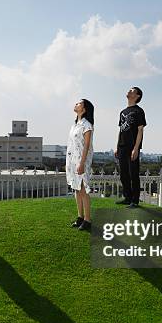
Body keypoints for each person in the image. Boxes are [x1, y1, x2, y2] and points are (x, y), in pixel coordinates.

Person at [115, 86, 147, 208]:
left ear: (137, 96)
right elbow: (121, 131)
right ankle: (127, 198)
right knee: (123, 174)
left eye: (132, 90)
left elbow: (140, 130)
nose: (129, 91)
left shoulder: (139, 111)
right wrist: (117, 146)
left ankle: (135, 200)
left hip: (132, 147)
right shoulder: (122, 112)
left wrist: (136, 148)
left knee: (133, 174)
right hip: (122, 147)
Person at [66, 99, 94, 231]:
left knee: (83, 190)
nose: (76, 104)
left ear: (84, 109)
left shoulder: (86, 125)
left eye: (79, 103)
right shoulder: (75, 125)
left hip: (82, 161)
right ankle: (80, 217)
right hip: (72, 161)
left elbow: (87, 146)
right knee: (76, 189)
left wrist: (82, 163)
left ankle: (88, 220)